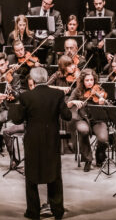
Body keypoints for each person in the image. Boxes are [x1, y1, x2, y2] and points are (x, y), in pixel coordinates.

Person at [9, 67, 72, 220]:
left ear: (33, 80)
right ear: (45, 78)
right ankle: (57, 211)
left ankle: (33, 211)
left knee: (31, 175)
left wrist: (13, 104)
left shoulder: (26, 96)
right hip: (52, 139)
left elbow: (17, 119)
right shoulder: (57, 94)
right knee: (54, 174)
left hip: (33, 140)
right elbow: (67, 116)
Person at [66, 69, 110, 171]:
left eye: (91, 80)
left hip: (97, 120)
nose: (90, 82)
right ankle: (87, 159)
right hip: (82, 118)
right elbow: (68, 104)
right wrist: (73, 101)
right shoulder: (77, 90)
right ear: (82, 81)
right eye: (87, 80)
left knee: (103, 139)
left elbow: (107, 105)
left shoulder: (99, 89)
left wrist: (102, 102)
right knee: (83, 130)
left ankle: (99, 154)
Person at [28, 0, 64, 64]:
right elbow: (27, 24)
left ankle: (48, 66)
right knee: (28, 42)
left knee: (52, 43)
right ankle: (32, 64)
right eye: (43, 2)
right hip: (34, 37)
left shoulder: (56, 14)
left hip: (46, 38)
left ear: (51, 5)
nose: (44, 4)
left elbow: (60, 27)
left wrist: (53, 36)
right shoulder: (33, 11)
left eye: (47, 3)